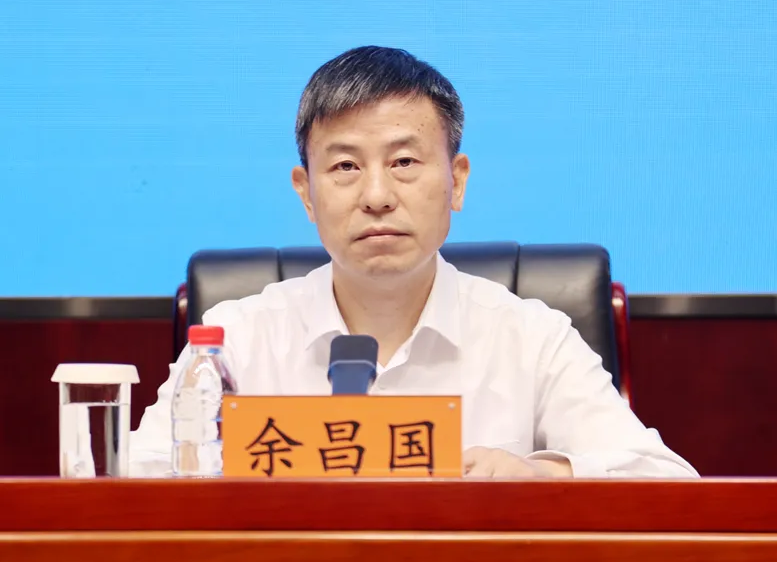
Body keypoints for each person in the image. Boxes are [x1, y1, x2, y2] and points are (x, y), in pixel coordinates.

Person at [130, 45, 697, 478]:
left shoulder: (530, 337)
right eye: (346, 167)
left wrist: (542, 475)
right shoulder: (235, 339)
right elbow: (131, 481)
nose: (377, 196)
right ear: (306, 193)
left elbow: (668, 482)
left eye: (403, 161)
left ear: (456, 181)